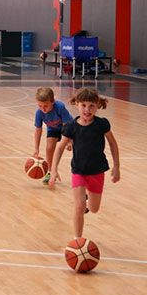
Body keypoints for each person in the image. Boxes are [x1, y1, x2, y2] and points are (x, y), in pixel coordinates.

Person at [51, 87, 120, 239]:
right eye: (83, 105)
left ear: (97, 106)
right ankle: (78, 241)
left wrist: (116, 166)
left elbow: (113, 144)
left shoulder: (102, 124)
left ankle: (88, 200)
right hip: (78, 171)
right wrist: (54, 170)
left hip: (97, 171)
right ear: (76, 104)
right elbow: (60, 147)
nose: (87, 110)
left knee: (94, 209)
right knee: (78, 207)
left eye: (91, 106)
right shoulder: (71, 127)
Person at [33, 87, 73, 185]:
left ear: (53, 101)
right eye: (40, 106)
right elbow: (38, 130)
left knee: (75, 148)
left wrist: (68, 141)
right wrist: (36, 148)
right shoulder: (39, 113)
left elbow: (66, 125)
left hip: (68, 127)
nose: (43, 109)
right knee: (49, 148)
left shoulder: (60, 107)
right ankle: (51, 172)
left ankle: (80, 173)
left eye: (45, 106)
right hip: (53, 129)